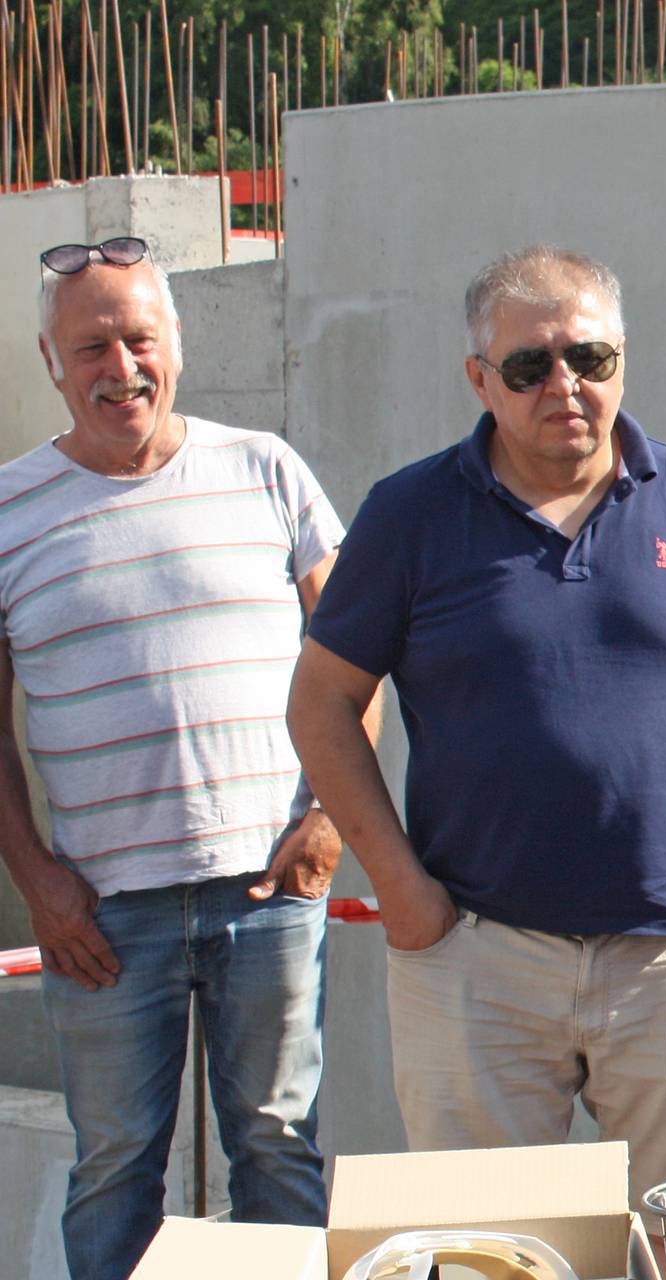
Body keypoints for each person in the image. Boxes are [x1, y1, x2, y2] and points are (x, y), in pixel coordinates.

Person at [287, 245, 666, 1230]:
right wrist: (403, 894)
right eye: (529, 366)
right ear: (480, 380)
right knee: (491, 1249)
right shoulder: (409, 515)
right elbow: (319, 705)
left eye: (590, 358)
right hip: (478, 961)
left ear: (623, 362)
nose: (563, 384)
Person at [2, 238, 347, 1280]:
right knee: (114, 1177)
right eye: (92, 345)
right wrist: (39, 884)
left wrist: (332, 815)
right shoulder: (8, 512)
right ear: (52, 362)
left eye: (140, 338)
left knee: (280, 1161)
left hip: (270, 890)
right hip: (103, 915)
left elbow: (351, 661)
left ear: (176, 347)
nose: (122, 367)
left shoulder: (267, 468)